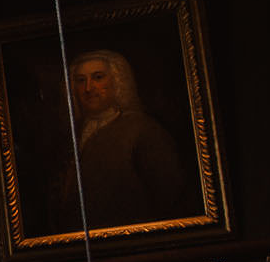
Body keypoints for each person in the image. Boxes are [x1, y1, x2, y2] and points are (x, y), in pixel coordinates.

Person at [48, 48, 191, 230]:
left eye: (98, 77)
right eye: (80, 81)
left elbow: (169, 196)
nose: (88, 88)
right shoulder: (70, 136)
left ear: (117, 81)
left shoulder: (143, 129)